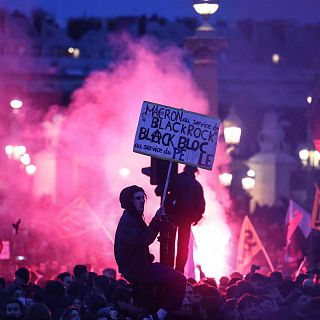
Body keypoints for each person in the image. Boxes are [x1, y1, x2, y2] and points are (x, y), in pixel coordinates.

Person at [114, 185, 187, 320]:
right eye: (137, 198)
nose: (141, 201)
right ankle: (160, 315)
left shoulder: (133, 217)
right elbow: (143, 239)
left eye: (143, 198)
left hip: (138, 267)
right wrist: (156, 220)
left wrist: (156, 220)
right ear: (129, 200)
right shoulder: (128, 220)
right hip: (139, 269)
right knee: (180, 280)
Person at [156, 165, 205, 273]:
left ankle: (168, 269)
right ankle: (179, 271)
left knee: (169, 243)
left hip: (172, 217)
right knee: (183, 246)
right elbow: (201, 205)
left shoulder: (174, 179)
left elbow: (158, 190)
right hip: (186, 219)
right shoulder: (196, 185)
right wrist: (196, 217)